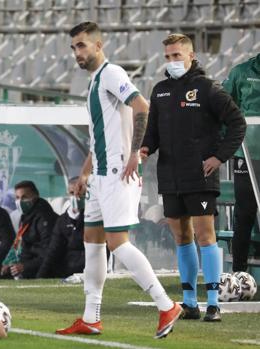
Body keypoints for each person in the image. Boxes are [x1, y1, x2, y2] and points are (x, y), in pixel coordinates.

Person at [57, 22, 181, 339]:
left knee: (117, 243)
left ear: (99, 45)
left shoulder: (112, 74)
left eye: (82, 45)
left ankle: (166, 304)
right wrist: (85, 173)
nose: (77, 53)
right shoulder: (96, 81)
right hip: (100, 174)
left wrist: (135, 154)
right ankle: (90, 317)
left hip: (116, 173)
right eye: (74, 47)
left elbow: (142, 106)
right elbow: (100, 137)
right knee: (93, 245)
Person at [141, 34, 246, 322]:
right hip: (170, 176)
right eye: (168, 57)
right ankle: (189, 302)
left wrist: (219, 157)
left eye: (177, 56)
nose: (172, 61)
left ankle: (213, 303)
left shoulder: (208, 88)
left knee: (204, 236)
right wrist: (145, 148)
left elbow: (238, 124)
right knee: (181, 237)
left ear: (191, 56)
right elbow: (153, 131)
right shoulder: (160, 90)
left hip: (201, 176)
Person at [223, 53, 260, 274]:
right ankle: (239, 274)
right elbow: (226, 110)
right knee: (245, 213)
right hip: (246, 154)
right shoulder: (241, 72)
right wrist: (226, 146)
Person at [1, 180, 57, 279]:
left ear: (36, 196)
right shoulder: (26, 217)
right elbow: (25, 246)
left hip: (43, 266)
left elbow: (49, 251)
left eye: (24, 197)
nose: (19, 201)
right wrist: (12, 263)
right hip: (30, 263)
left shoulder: (45, 218)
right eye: (17, 198)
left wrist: (25, 266)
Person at [37, 178, 85, 279]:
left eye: (80, 192)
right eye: (72, 193)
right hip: (67, 271)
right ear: (67, 194)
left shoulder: (95, 218)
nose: (75, 196)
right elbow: (53, 249)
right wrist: (40, 276)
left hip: (88, 270)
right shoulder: (63, 220)